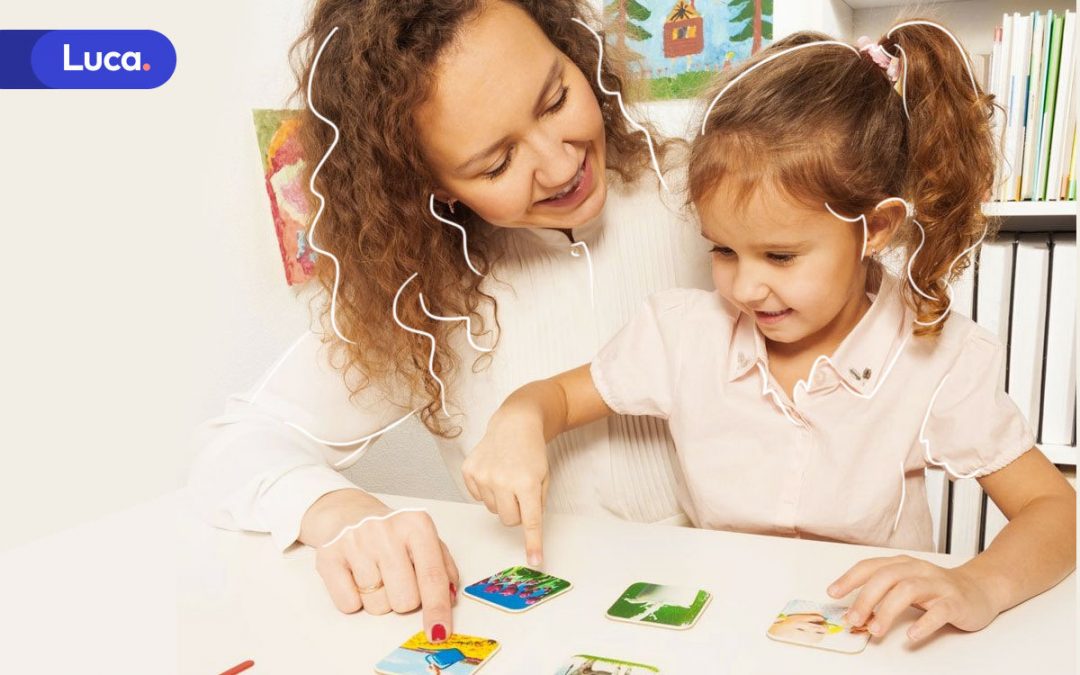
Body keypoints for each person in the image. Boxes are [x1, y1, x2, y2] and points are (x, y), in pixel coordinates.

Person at [462, 22, 1077, 643]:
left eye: (780, 257)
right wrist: (520, 416)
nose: (745, 288)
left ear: (877, 228)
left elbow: (1055, 512)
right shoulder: (683, 334)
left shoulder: (933, 356)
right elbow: (560, 398)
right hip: (719, 632)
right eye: (723, 250)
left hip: (872, 641)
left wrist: (980, 583)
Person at [188, 0, 711, 644]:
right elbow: (234, 443)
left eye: (555, 99)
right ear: (430, 187)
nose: (559, 164)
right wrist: (340, 512)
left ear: (574, 52)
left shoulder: (707, 196)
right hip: (559, 634)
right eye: (495, 164)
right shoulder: (420, 296)